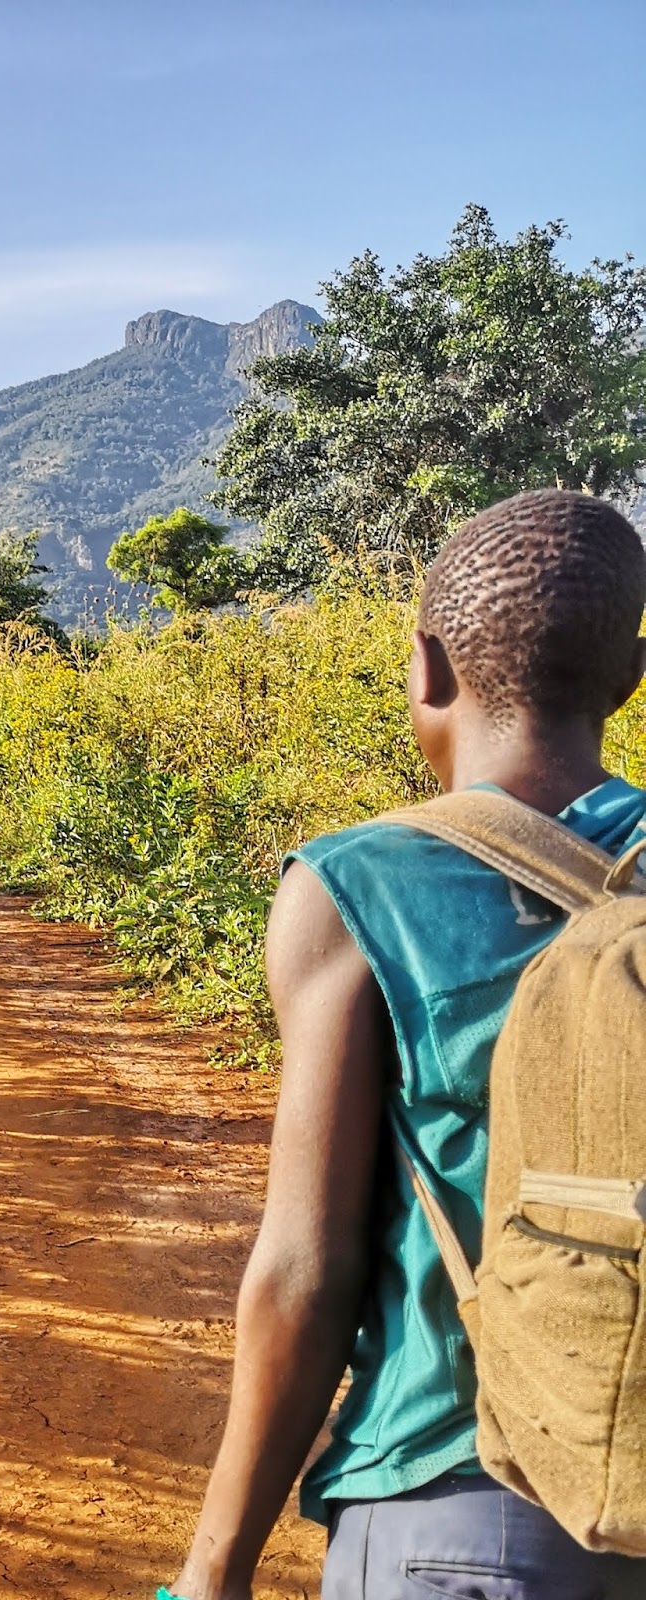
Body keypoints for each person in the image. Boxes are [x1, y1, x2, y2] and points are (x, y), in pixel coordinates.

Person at [165, 489, 646, 1598]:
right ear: (630, 675)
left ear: (424, 665)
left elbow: (304, 1269)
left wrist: (214, 1569)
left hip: (459, 1499)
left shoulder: (359, 884)